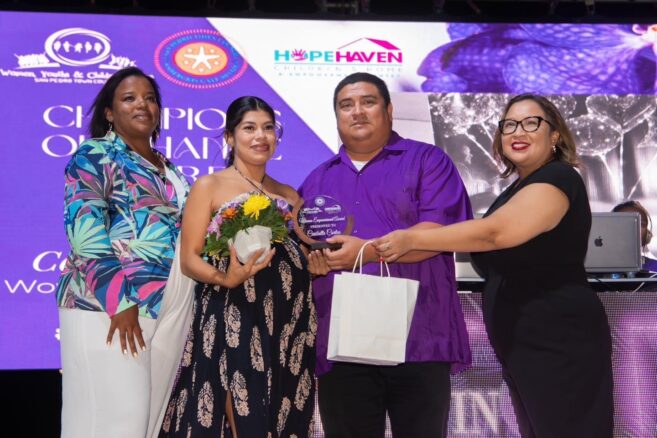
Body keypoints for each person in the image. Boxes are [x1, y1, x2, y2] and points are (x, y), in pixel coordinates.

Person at [375, 94, 614, 437]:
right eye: (509, 125)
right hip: (524, 340)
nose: (519, 131)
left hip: (558, 337)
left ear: (555, 135)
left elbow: (494, 233)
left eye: (531, 123)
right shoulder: (517, 189)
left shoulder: (558, 178)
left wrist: (412, 239)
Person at [299, 72, 472, 438]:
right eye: (346, 105)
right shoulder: (316, 181)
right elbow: (304, 246)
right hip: (342, 344)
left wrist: (366, 251)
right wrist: (313, 262)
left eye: (368, 102)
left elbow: (441, 232)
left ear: (389, 110)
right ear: (336, 115)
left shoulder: (429, 161)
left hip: (419, 335)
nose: (357, 112)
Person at [160, 96, 317, 437]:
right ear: (230, 137)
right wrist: (225, 278)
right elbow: (189, 259)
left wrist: (316, 262)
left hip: (289, 318)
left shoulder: (289, 194)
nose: (261, 136)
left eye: (268, 128)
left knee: (285, 411)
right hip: (235, 312)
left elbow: (301, 254)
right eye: (249, 128)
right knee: (246, 411)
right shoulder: (210, 186)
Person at [56, 67, 193, 438]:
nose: (142, 105)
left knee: (143, 425)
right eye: (129, 98)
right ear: (109, 112)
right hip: (108, 306)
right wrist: (119, 301)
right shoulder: (96, 154)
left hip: (165, 308)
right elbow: (84, 231)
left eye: (150, 98)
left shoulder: (169, 167)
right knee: (116, 422)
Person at [612, 200, 657, 272]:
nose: (633, 228)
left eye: (641, 224)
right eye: (623, 223)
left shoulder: (655, 267)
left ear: (647, 235)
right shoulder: (596, 267)